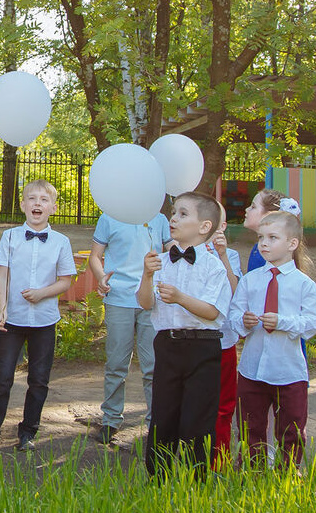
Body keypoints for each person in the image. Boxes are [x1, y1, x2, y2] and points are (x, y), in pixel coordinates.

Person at [0, 180, 75, 455]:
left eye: (44, 200)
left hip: (44, 320)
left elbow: (65, 280)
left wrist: (42, 293)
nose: (37, 204)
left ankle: (28, 431)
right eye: (32, 198)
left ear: (53, 208)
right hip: (13, 319)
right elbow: (2, 275)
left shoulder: (61, 242)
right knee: (1, 377)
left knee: (39, 379)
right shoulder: (10, 237)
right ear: (22, 205)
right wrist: (2, 309)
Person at [136, 191, 232, 478]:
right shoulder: (161, 261)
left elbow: (213, 312)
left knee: (197, 417)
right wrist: (146, 275)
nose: (173, 219)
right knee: (163, 413)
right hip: (167, 345)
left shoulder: (214, 266)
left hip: (203, 348)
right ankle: (158, 478)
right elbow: (145, 302)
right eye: (174, 213)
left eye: (182, 214)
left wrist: (179, 297)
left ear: (204, 226)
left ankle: (195, 479)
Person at [229, 211, 316, 469]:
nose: (264, 243)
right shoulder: (250, 280)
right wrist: (243, 322)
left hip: (289, 371)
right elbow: (234, 315)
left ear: (292, 244)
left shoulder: (304, 284)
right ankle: (252, 474)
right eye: (260, 237)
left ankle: (288, 476)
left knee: (291, 430)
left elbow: (313, 324)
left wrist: (283, 322)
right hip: (252, 369)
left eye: (272, 237)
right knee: (249, 427)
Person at [88, 211, 170, 444]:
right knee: (116, 363)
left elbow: (174, 251)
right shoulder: (109, 217)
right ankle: (111, 419)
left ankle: (156, 421)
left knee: (154, 365)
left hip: (152, 299)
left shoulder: (159, 218)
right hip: (118, 298)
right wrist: (102, 277)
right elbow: (95, 256)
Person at [208, 201, 242, 469]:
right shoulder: (181, 253)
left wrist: (221, 257)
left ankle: (219, 460)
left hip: (223, 341)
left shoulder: (231, 256)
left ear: (223, 227)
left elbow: (235, 294)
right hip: (193, 341)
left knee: (223, 404)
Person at [242, 189, 299, 272]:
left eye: (253, 207)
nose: (247, 209)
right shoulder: (258, 248)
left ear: (269, 215)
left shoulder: (269, 253)